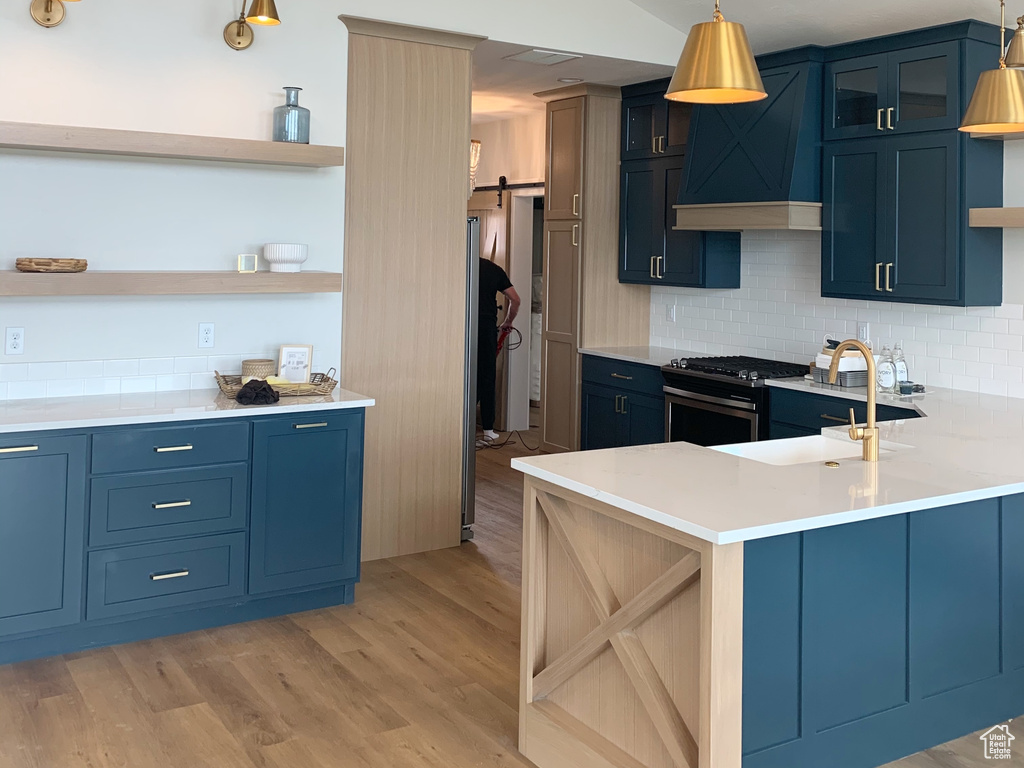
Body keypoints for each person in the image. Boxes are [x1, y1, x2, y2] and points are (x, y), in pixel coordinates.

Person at [478, 257, 521, 442]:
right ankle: (488, 430)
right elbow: (515, 299)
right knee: (487, 376)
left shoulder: (457, 263)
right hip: (486, 328)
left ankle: (459, 423)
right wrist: (508, 321)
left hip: (461, 326)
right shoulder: (493, 268)